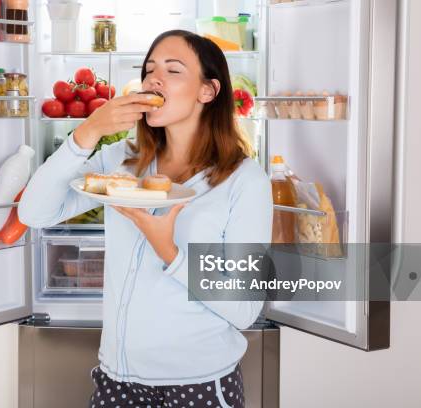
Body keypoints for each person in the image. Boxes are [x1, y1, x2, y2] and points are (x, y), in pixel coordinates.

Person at [18, 29, 272, 408]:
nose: (153, 78)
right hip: (116, 377)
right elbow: (35, 213)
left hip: (198, 383)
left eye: (173, 70)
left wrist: (169, 251)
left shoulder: (244, 181)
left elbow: (245, 310)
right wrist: (87, 132)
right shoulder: (123, 159)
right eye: (149, 68)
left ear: (208, 91)